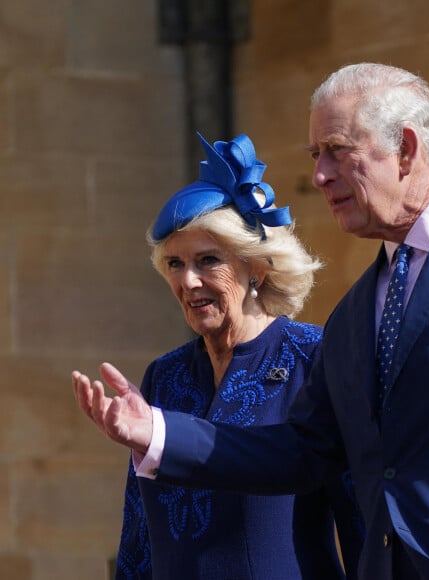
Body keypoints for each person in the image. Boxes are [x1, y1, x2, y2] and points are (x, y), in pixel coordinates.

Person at [73, 63, 429, 579]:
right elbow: (302, 451)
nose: (318, 177)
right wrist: (155, 431)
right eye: (316, 156)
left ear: (405, 149)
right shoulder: (357, 314)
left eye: (337, 151)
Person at [73, 132, 364, 579]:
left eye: (208, 261)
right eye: (174, 264)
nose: (188, 281)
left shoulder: (315, 356)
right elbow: (138, 537)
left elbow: (361, 524)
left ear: (257, 267)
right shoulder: (164, 375)